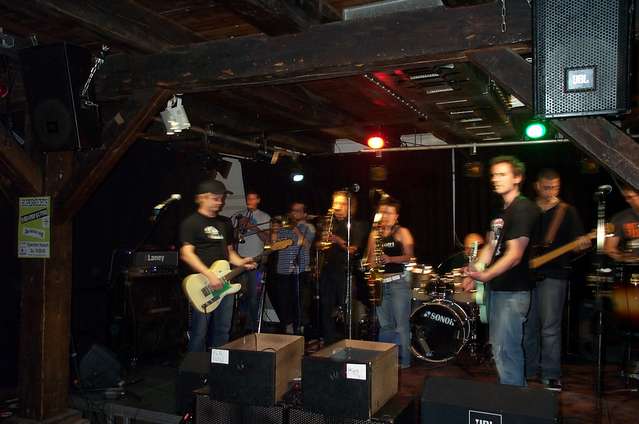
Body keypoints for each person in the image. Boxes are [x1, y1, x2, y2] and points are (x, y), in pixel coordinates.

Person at [462, 156, 540, 386]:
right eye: (494, 175)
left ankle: (514, 401)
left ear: (517, 178)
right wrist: (474, 271)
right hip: (498, 289)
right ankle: (512, 397)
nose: (495, 179)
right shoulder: (500, 212)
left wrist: (485, 275)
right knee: (500, 350)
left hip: (513, 291)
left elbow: (515, 255)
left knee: (507, 351)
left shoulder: (524, 208)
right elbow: (491, 247)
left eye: (502, 174)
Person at [524, 169, 589, 391]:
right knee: (527, 326)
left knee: (550, 327)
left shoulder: (567, 211)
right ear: (537, 186)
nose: (551, 191)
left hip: (555, 274)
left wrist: (582, 243)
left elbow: (578, 243)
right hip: (526, 274)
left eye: (555, 187)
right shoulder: (528, 209)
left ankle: (551, 374)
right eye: (546, 187)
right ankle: (529, 370)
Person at [180, 180, 256, 352]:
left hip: (225, 283)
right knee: (199, 332)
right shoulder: (191, 222)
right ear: (201, 198)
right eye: (215, 198)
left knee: (223, 329)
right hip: (203, 284)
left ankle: (218, 365)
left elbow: (229, 252)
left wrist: (242, 262)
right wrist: (210, 275)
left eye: (221, 198)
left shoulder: (224, 223)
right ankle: (196, 366)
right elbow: (186, 253)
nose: (220, 202)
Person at [366, 198, 414, 368]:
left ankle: (404, 361)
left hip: (398, 282)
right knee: (385, 325)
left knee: (401, 325)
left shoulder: (402, 232)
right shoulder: (374, 234)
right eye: (382, 212)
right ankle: (386, 362)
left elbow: (409, 256)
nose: (385, 216)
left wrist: (390, 259)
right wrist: (372, 264)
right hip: (381, 284)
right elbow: (370, 260)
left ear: (396, 216)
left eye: (389, 212)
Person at [319, 191, 368, 344]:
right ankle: (328, 342)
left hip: (345, 272)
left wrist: (338, 241)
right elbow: (319, 245)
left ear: (350, 206)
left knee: (347, 309)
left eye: (342, 203)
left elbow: (354, 250)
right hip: (327, 271)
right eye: (336, 203)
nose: (338, 207)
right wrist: (320, 243)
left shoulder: (356, 225)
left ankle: (350, 342)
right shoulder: (329, 223)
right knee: (326, 308)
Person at [270, 201, 316, 335]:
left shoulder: (309, 227)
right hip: (282, 270)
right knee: (283, 303)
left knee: (299, 304)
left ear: (305, 214)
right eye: (293, 210)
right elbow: (274, 246)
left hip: (300, 270)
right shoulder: (285, 228)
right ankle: (287, 329)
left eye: (298, 211)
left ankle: (300, 332)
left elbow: (306, 244)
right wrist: (274, 231)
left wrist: (296, 230)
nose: (294, 213)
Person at [236, 191, 271, 333]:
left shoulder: (264, 216)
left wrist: (252, 226)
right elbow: (234, 236)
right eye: (248, 199)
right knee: (237, 294)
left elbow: (267, 239)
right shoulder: (240, 215)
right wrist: (238, 228)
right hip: (239, 260)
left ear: (258, 200)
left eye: (252, 199)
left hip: (256, 260)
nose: (249, 201)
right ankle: (238, 325)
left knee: (253, 296)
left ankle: (251, 327)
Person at [605, 183, 639, 262]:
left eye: (630, 197)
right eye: (625, 197)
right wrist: (623, 258)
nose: (627, 201)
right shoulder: (620, 218)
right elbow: (609, 248)